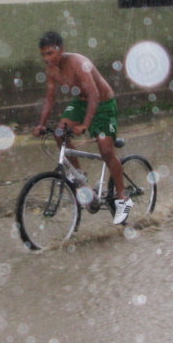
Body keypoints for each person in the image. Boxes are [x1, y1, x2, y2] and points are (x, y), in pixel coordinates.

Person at [31, 31, 132, 225]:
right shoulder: (51, 70)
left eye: (51, 53)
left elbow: (94, 94)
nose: (47, 58)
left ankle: (123, 198)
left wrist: (85, 124)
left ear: (62, 50)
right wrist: (41, 124)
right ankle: (78, 174)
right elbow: (50, 98)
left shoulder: (78, 63)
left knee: (106, 150)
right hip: (80, 103)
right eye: (44, 54)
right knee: (59, 132)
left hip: (103, 104)